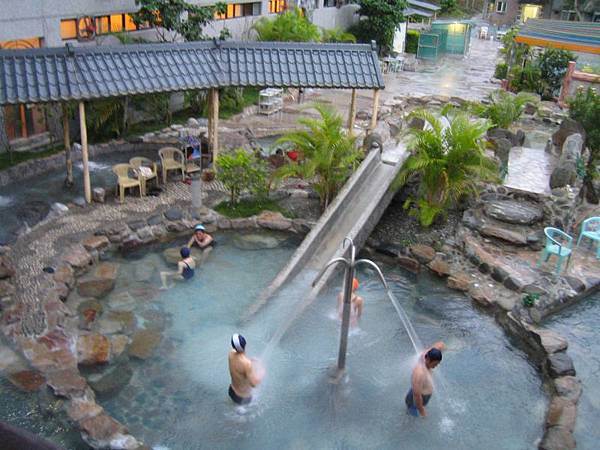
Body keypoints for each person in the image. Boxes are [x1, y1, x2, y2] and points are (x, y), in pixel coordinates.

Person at [405, 341, 446, 417]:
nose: (435, 366)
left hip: (421, 398)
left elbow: (440, 344)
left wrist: (445, 348)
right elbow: (416, 395)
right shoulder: (419, 373)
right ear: (428, 360)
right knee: (412, 424)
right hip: (414, 404)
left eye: (437, 364)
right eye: (434, 364)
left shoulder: (426, 355)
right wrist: (422, 412)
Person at [228, 334, 264, 405]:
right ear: (245, 344)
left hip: (232, 391)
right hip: (243, 398)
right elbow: (253, 384)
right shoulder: (247, 364)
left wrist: (250, 360)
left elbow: (239, 362)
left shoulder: (231, 353)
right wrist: (262, 371)